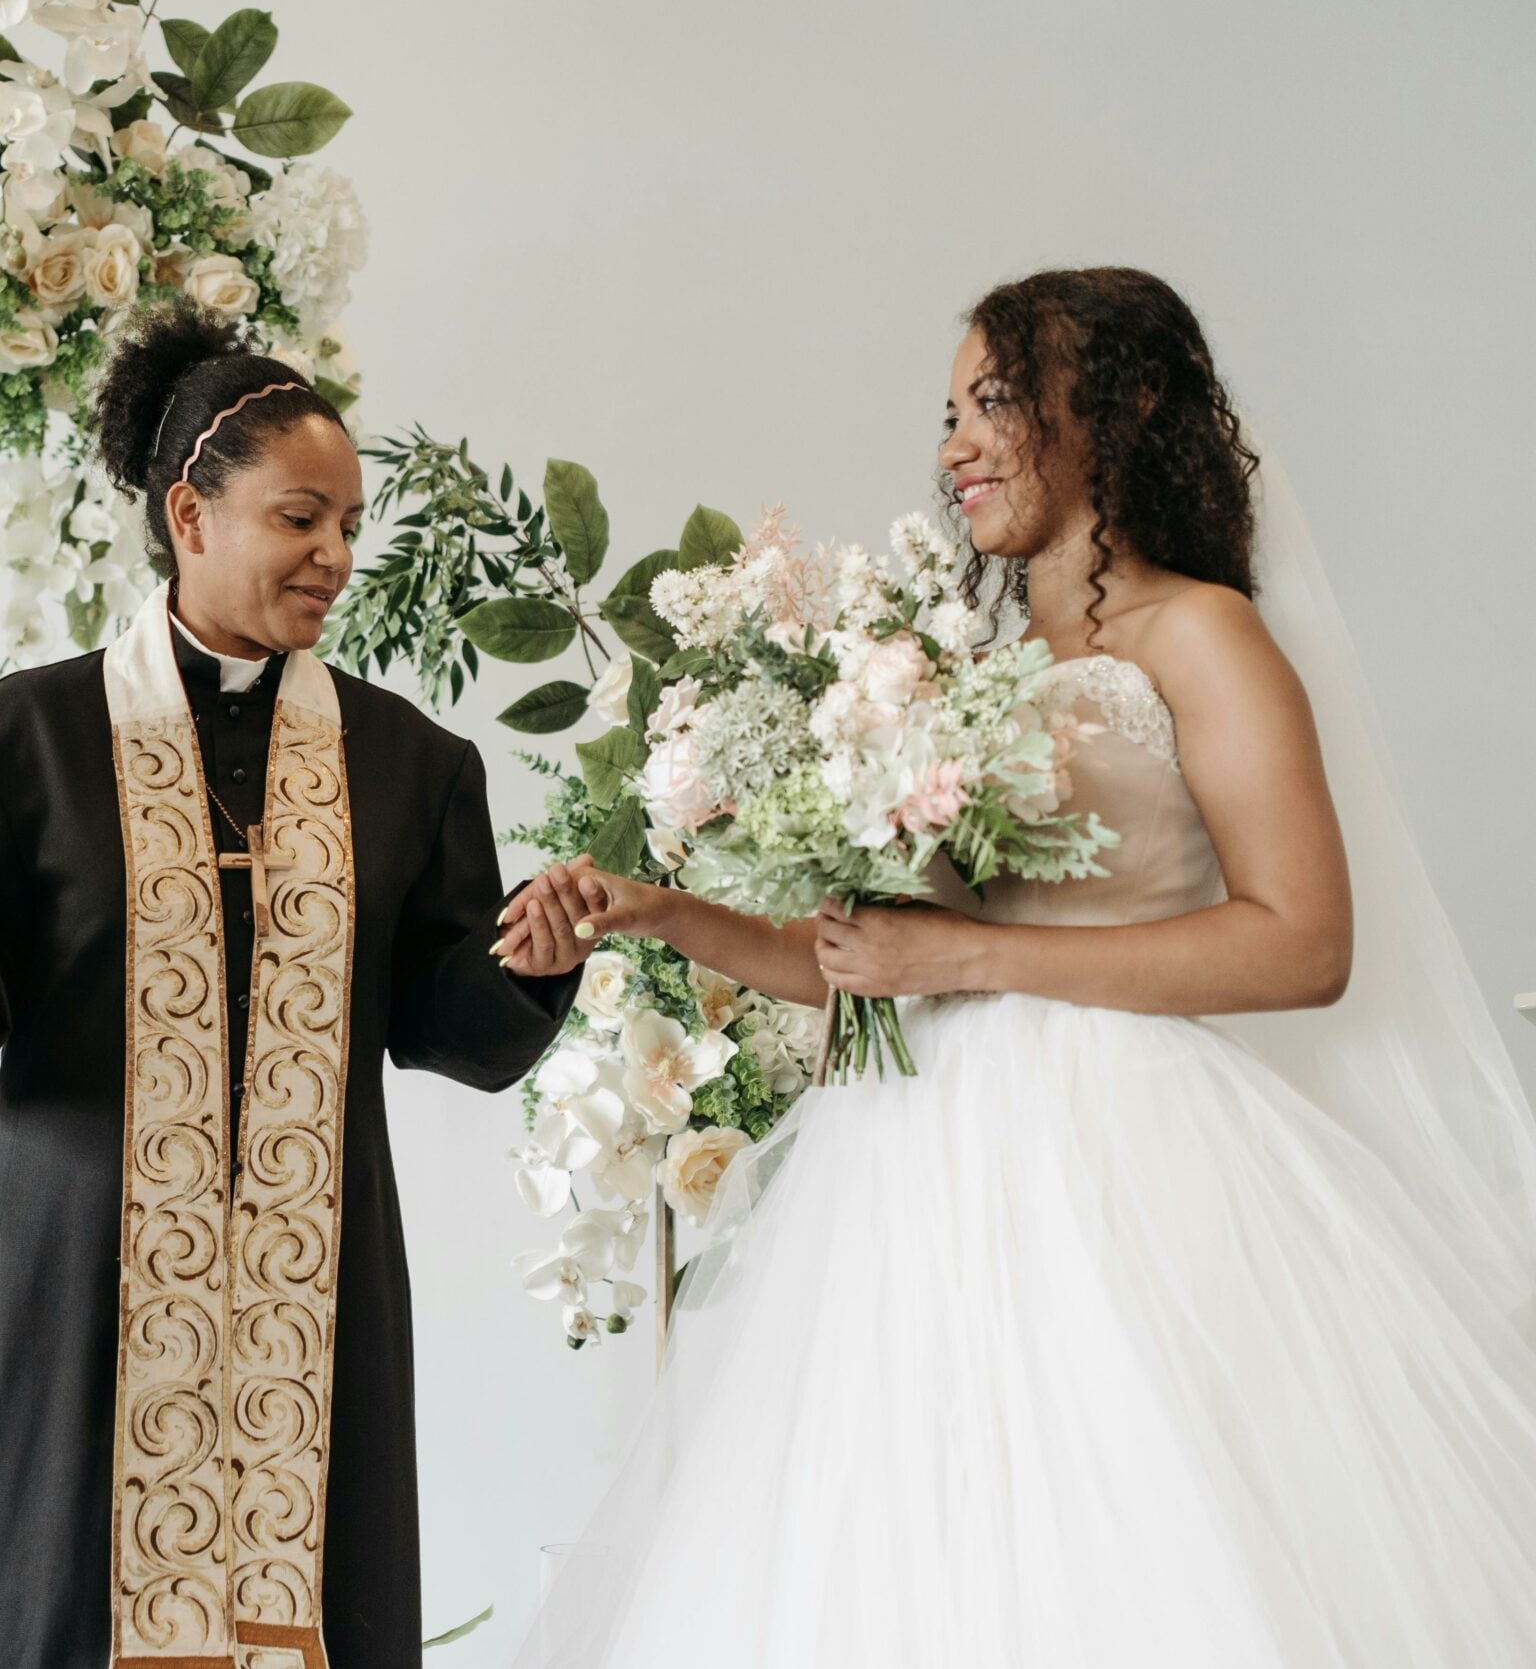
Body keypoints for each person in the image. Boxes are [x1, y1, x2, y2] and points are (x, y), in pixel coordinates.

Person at [507, 266, 1536, 1667]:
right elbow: (868, 959)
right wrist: (658, 908)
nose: (957, 447)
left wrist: (973, 951)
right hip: (913, 1169)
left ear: (1123, 406)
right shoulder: (941, 665)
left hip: (1130, 1153)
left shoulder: (1203, 634)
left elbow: (1305, 940)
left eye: (996, 402)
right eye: (949, 414)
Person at [0, 303, 598, 1667]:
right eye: (299, 518)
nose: (335, 555)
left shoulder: (413, 764)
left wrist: (526, 961)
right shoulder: (11, 741)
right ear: (189, 515)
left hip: (308, 1299)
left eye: (347, 523)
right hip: (78, 1295)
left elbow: (439, 1018)